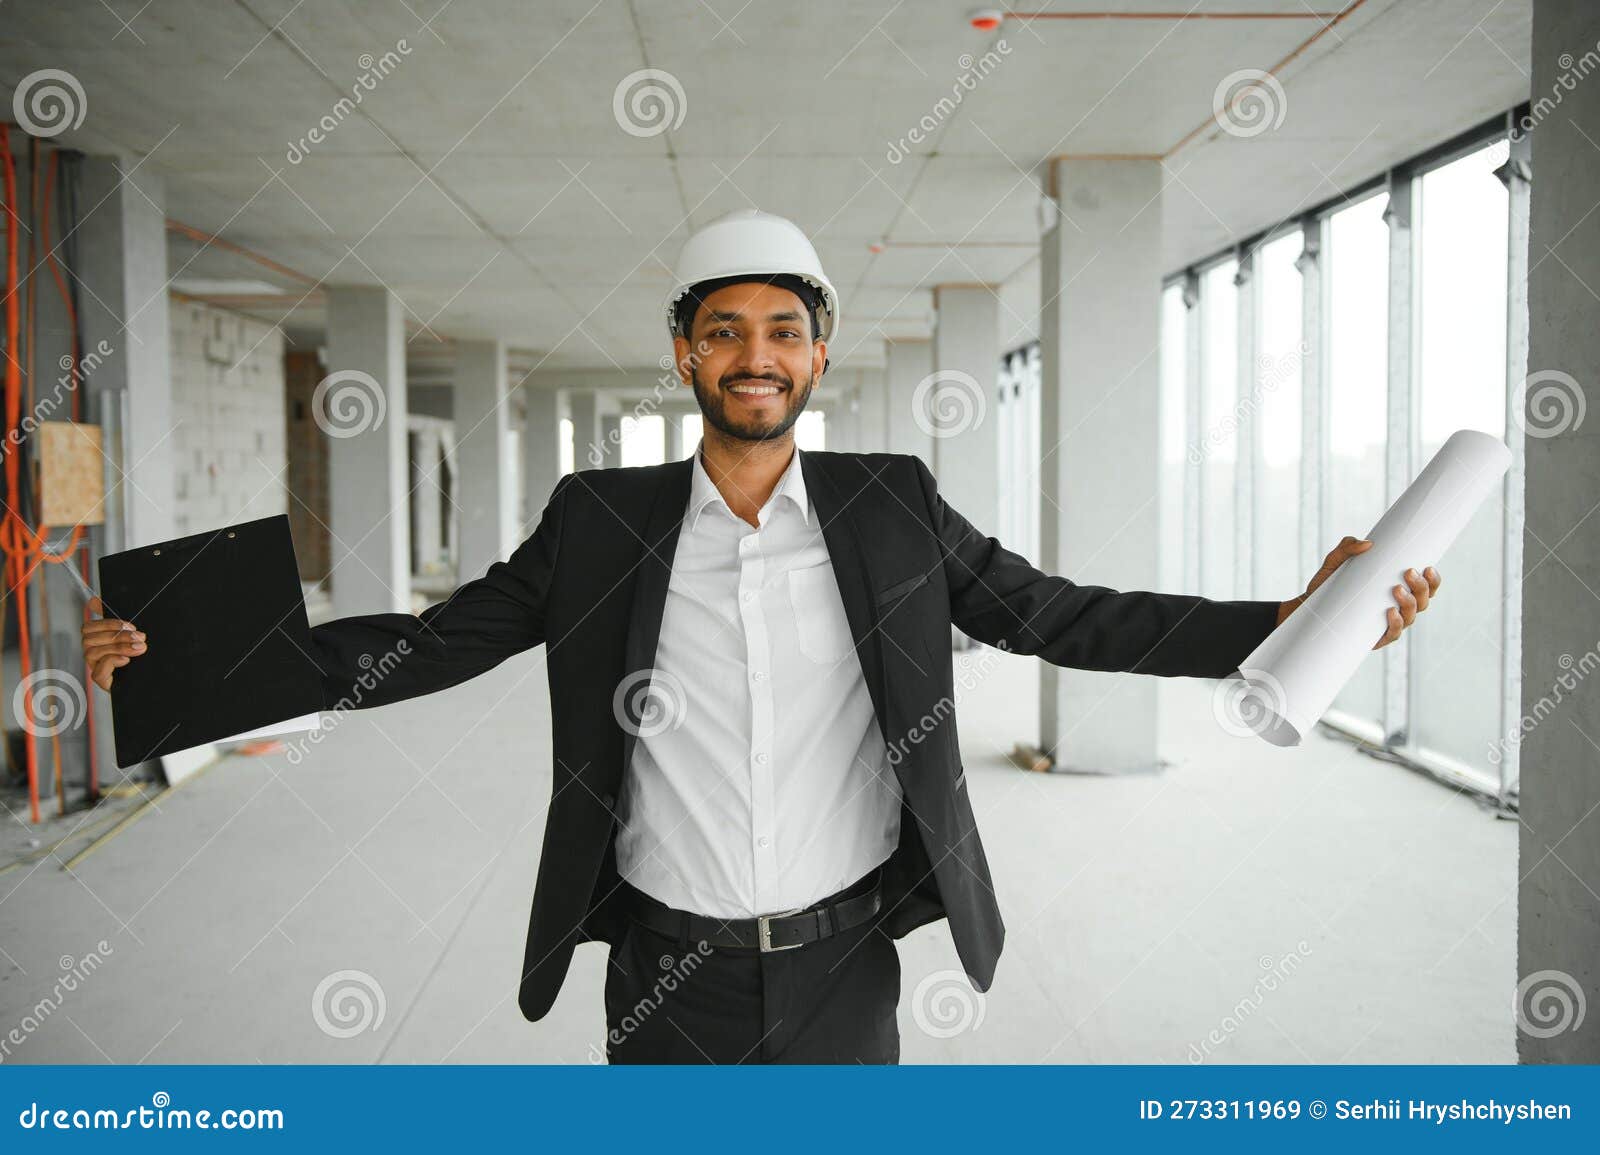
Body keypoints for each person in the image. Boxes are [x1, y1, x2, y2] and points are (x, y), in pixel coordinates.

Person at [81, 209, 1442, 1064]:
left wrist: (1289, 615)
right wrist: (189, 659)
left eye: (783, 331)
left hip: (845, 966)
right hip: (662, 972)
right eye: (724, 330)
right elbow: (438, 642)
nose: (755, 354)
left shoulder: (892, 504)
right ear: (684, 354)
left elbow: (1059, 614)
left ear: (817, 356)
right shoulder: (600, 520)